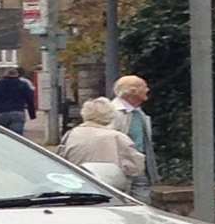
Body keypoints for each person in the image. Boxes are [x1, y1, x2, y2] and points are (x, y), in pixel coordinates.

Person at [57, 97, 147, 193]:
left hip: (78, 185)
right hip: (110, 188)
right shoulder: (118, 137)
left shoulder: (71, 134)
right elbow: (136, 167)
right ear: (110, 115)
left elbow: (61, 160)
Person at [111, 75, 158, 204]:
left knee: (143, 204)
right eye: (144, 86)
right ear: (132, 91)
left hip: (139, 167)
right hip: (122, 169)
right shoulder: (113, 113)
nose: (147, 89)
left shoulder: (139, 112)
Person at [0, 66, 36, 135]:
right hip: (17, 112)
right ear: (17, 75)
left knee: (2, 136)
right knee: (16, 136)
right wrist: (32, 114)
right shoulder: (23, 85)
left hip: (1, 113)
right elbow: (29, 100)